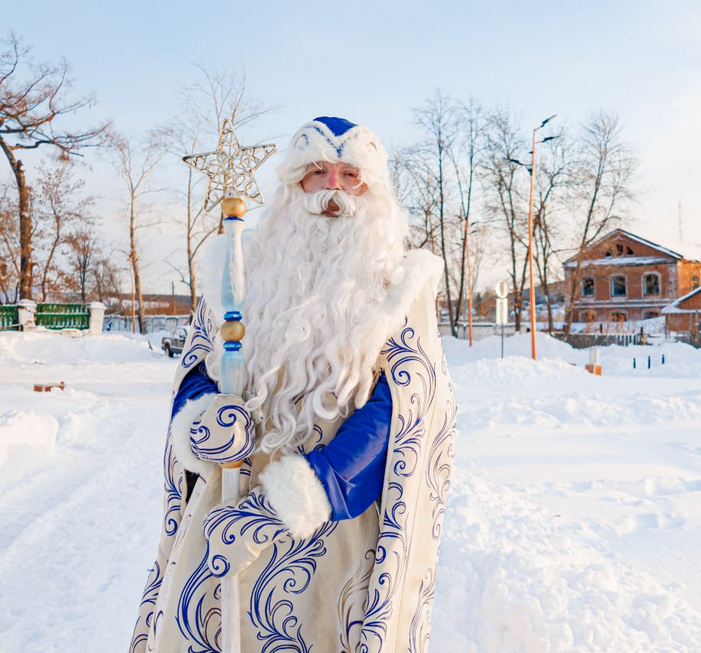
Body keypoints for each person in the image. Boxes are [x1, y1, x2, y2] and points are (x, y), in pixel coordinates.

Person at [129, 116, 457, 652]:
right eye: (317, 172)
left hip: (331, 521)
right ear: (292, 183)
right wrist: (202, 418)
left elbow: (406, 405)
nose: (333, 189)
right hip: (226, 501)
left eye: (350, 174)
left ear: (372, 188)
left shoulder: (402, 283)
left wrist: (302, 495)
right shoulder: (236, 267)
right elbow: (197, 366)